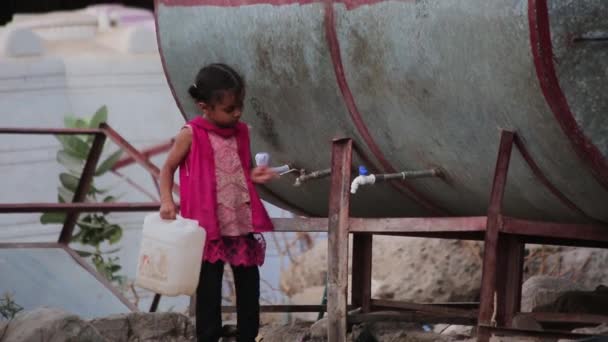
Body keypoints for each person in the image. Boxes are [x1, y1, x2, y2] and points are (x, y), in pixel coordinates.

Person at [159, 63, 276, 342]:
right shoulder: (191, 133)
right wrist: (166, 200)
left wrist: (254, 175)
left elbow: (240, 168)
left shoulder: (242, 132)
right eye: (229, 109)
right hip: (207, 226)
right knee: (208, 291)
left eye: (239, 106)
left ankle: (248, 337)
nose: (236, 113)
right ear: (205, 107)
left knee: (249, 287)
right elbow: (167, 169)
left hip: (239, 221)